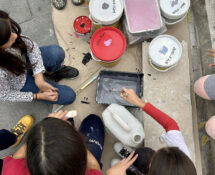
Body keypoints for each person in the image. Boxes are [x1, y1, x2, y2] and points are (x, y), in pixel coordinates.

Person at [106, 88, 197, 175]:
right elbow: (170, 124)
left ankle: (130, 170)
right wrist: (139, 102)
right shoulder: (182, 161)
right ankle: (130, 159)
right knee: (142, 156)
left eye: (152, 164)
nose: (153, 156)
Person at [0, 10, 78, 105]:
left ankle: (51, 73)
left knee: (56, 52)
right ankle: (44, 77)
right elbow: (5, 95)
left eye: (11, 30)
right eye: (8, 38)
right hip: (20, 82)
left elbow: (31, 46)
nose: (15, 36)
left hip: (24, 62)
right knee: (69, 96)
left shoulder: (6, 32)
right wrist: (37, 96)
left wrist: (39, 78)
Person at [1, 110, 107, 175]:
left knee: (67, 120)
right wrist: (79, 141)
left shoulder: (10, 171)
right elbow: (94, 167)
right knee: (93, 120)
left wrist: (47, 124)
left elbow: (16, 158)